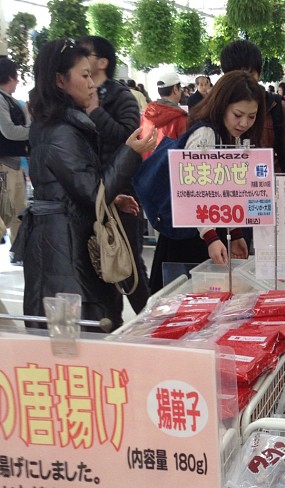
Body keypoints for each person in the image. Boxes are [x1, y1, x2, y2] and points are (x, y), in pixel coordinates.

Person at [14, 38, 155, 331]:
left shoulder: (55, 123)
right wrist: (131, 153)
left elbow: (70, 186)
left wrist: (112, 198)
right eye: (84, 75)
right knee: (77, 341)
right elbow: (92, 194)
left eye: (91, 74)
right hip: (64, 250)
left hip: (60, 241)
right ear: (59, 81)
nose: (92, 83)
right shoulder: (62, 131)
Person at [149, 71, 265, 293]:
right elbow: (193, 190)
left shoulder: (225, 134)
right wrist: (211, 236)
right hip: (191, 238)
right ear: (222, 105)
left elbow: (223, 191)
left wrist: (236, 232)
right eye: (238, 114)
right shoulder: (205, 134)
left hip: (205, 231)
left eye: (251, 117)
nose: (244, 123)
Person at [78, 35, 152, 315]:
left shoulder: (122, 96)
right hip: (88, 191)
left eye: (86, 53)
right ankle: (112, 321)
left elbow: (129, 140)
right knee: (98, 262)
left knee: (128, 263)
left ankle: (150, 323)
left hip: (120, 189)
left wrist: (95, 111)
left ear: (102, 61)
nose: (81, 58)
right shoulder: (75, 97)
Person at [220, 40, 285, 174]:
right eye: (235, 76)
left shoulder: (275, 105)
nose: (243, 82)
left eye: (249, 75)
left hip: (266, 186)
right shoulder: (215, 107)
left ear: (259, 73)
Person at [0, 57, 29, 256]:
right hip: (4, 164)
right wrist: (34, 131)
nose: (19, 81)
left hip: (15, 163)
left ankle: (18, 251)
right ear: (11, 76)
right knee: (4, 215)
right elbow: (9, 131)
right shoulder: (1, 99)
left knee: (18, 212)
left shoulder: (9, 100)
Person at [141, 70, 187, 158]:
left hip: (147, 167)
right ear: (175, 89)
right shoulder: (180, 118)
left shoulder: (146, 113)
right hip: (169, 168)